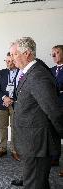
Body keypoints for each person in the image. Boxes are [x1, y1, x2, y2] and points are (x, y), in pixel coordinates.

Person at [9, 37, 63, 189]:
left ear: (26, 54)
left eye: (14, 54)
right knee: (35, 180)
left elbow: (54, 110)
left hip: (37, 143)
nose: (12, 59)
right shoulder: (30, 71)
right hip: (31, 141)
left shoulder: (38, 75)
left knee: (35, 184)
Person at [0, 52, 20, 161]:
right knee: (3, 127)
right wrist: (5, 97)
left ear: (14, 60)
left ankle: (15, 150)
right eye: (6, 61)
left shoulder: (21, 72)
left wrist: (13, 99)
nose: (8, 63)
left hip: (16, 104)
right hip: (3, 104)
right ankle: (2, 148)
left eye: (10, 61)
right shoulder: (2, 72)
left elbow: (24, 89)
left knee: (15, 128)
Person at [50, 45, 63, 176]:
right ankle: (55, 158)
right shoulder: (51, 70)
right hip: (53, 106)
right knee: (54, 133)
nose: (54, 55)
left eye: (57, 52)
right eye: (52, 53)